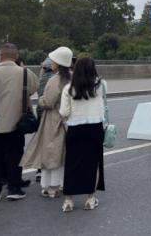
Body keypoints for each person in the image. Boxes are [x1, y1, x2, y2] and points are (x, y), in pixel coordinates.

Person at [0, 43, 39, 202]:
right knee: (15, 156)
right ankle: (14, 188)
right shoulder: (26, 73)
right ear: (17, 56)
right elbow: (33, 89)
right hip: (16, 124)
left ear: (0, 56)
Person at [21, 46, 73, 198]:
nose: (51, 62)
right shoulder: (72, 78)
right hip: (68, 119)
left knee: (50, 152)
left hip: (52, 118)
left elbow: (48, 102)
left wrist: (41, 100)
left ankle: (50, 186)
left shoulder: (54, 80)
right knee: (63, 153)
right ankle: (62, 183)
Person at [59, 57, 107, 212]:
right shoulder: (101, 86)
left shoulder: (68, 89)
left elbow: (64, 112)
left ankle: (68, 200)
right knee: (92, 163)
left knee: (72, 163)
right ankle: (90, 199)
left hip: (75, 128)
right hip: (95, 128)